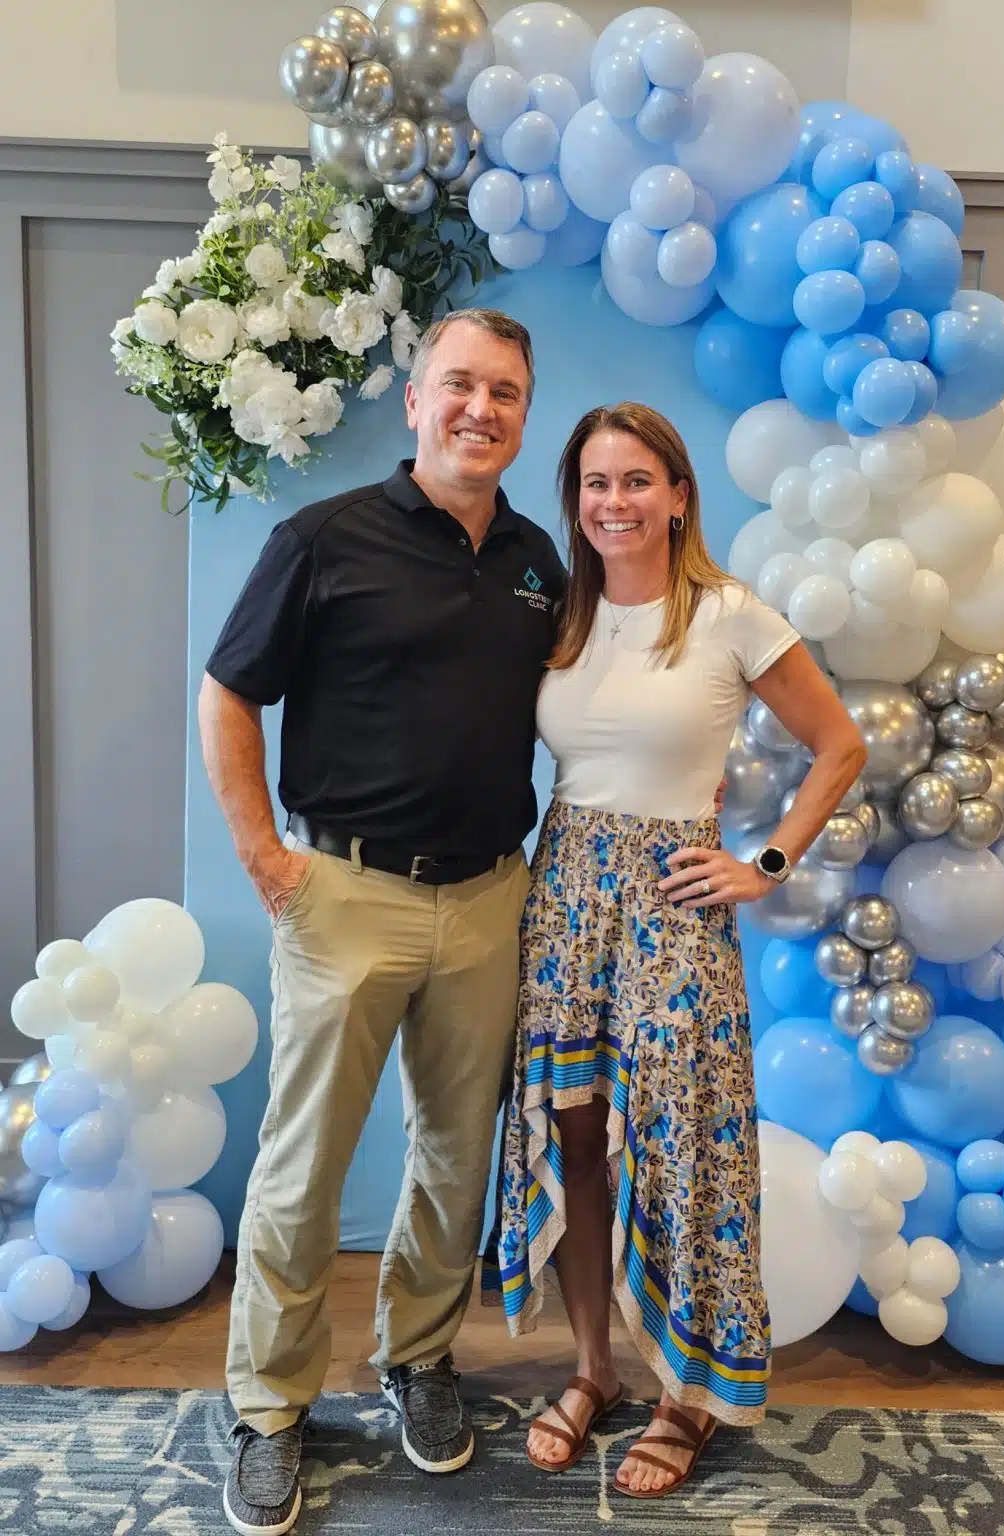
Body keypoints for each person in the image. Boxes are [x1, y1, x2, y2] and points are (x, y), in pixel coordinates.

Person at [199, 309, 568, 1536]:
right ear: (415, 401)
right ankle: (269, 1410)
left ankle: (419, 1358)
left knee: (458, 1161)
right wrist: (265, 856)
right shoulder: (323, 538)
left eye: (505, 392)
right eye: (459, 384)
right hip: (346, 895)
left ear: (525, 413)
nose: (480, 409)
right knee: (303, 1168)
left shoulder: (537, 563)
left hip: (490, 897)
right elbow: (228, 692)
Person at [490, 403, 867, 1499]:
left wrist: (767, 862)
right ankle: (594, 1368)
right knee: (575, 1133)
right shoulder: (561, 615)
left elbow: (840, 744)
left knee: (684, 1145)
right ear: (577, 502)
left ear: (679, 495)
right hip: (565, 893)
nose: (614, 502)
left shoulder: (731, 615)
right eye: (595, 483)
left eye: (636, 480)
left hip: (673, 903)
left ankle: (687, 1393)